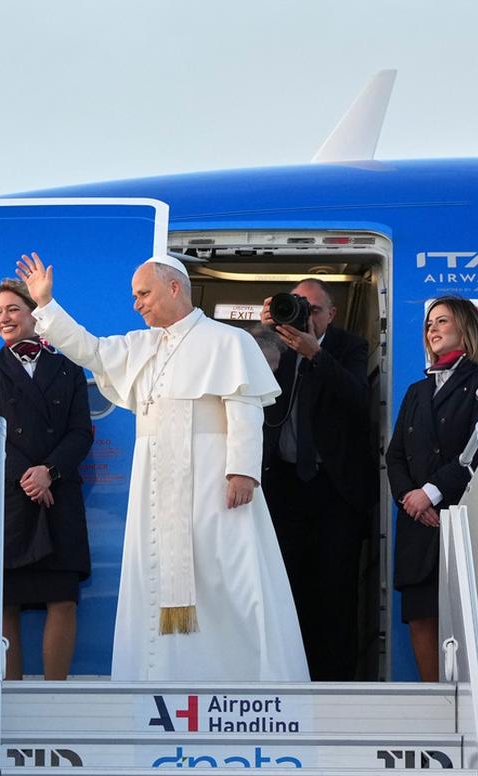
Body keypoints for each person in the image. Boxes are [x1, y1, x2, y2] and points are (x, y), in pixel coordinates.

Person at [16, 252, 307, 682]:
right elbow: (89, 350)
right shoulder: (142, 345)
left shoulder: (229, 341)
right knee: (155, 575)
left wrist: (242, 470)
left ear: (174, 288)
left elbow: (245, 408)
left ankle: (234, 677)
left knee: (225, 576)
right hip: (156, 480)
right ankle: (161, 678)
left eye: (143, 294)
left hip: (212, 478)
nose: (136, 304)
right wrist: (45, 303)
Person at [0, 278, 94, 680]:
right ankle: (8, 698)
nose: (3, 318)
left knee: (63, 600)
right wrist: (27, 474)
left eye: (12, 309)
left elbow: (81, 433)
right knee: (6, 603)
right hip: (9, 498)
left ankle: (57, 696)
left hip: (59, 495)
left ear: (35, 315)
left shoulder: (68, 367)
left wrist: (48, 472)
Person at [258, 279, 372, 681]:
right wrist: (264, 333)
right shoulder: (272, 344)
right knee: (287, 587)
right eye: (298, 306)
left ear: (331, 314)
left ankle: (336, 684)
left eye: (314, 309)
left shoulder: (349, 346)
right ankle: (291, 677)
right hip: (283, 487)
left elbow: (358, 398)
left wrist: (316, 354)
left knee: (336, 590)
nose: (305, 315)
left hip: (335, 491)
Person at [387, 296, 478, 682]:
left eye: (442, 321)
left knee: (467, 621)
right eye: (429, 323)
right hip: (418, 523)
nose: (432, 328)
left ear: (465, 328)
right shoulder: (417, 390)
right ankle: (433, 702)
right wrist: (409, 498)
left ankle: (469, 703)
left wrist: (430, 492)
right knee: (421, 619)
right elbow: (395, 455)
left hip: (461, 519)